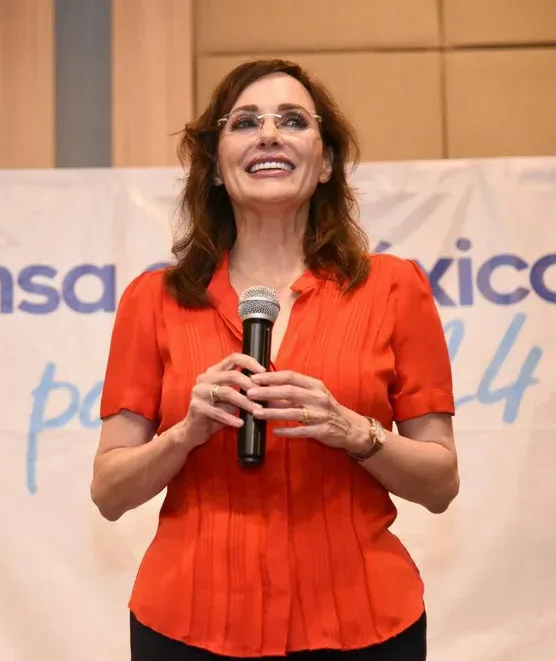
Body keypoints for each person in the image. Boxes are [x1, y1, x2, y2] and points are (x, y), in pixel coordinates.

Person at [89, 58, 459, 660]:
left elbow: (440, 483)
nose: (268, 134)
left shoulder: (393, 288)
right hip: (188, 627)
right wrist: (185, 433)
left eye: (292, 120)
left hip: (361, 625)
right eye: (244, 122)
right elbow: (109, 493)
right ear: (215, 166)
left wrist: (355, 431)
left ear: (327, 161)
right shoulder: (152, 301)